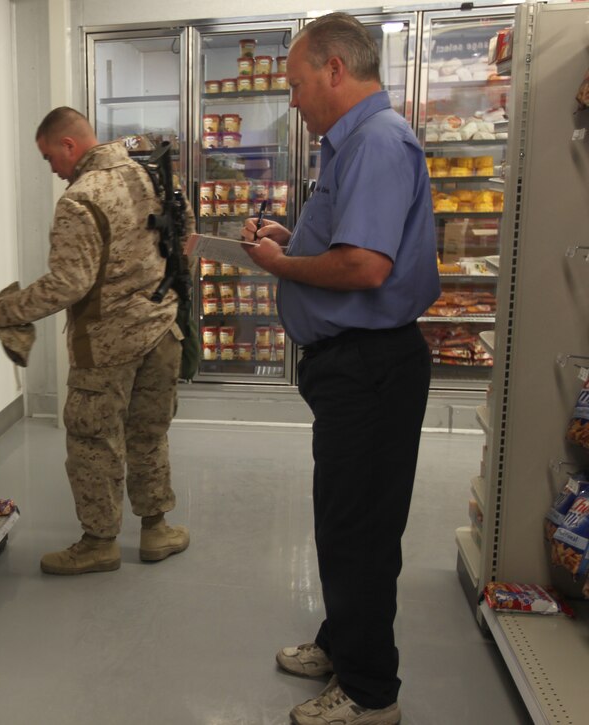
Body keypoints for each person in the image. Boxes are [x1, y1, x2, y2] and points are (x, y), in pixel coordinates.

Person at [240, 13, 439, 725]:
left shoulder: (378, 143)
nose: (291, 98)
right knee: (343, 517)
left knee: (359, 526)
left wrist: (279, 264)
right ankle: (341, 640)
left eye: (296, 84)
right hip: (352, 367)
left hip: (370, 369)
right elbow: (347, 244)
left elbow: (363, 265)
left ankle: (369, 691)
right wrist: (294, 241)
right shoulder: (349, 144)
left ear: (333, 69)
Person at [0, 107, 190, 575]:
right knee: (149, 434)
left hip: (107, 345)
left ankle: (99, 543)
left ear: (69, 145)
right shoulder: (152, 174)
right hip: (162, 331)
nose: (52, 168)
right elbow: (183, 234)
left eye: (50, 156)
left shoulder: (80, 198)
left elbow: (66, 285)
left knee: (95, 443)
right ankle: (156, 529)